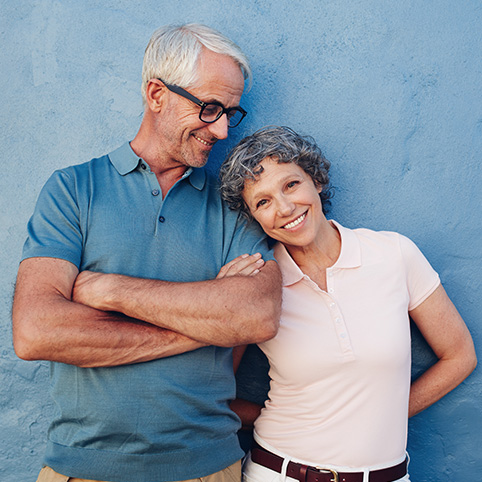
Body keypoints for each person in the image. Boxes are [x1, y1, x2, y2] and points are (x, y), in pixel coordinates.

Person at [12, 25, 282, 482]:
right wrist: (204, 324)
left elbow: (255, 315)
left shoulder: (236, 203)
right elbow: (37, 331)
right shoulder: (73, 190)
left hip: (209, 469)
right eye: (210, 107)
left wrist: (110, 290)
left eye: (230, 113)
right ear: (156, 93)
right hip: (82, 470)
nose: (220, 129)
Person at [218, 126, 477, 482]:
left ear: (316, 180)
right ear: (254, 217)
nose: (285, 207)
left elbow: (460, 355)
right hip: (281, 472)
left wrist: (382, 415)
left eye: (291, 184)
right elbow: (215, 391)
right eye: (263, 202)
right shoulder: (259, 282)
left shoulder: (394, 255)